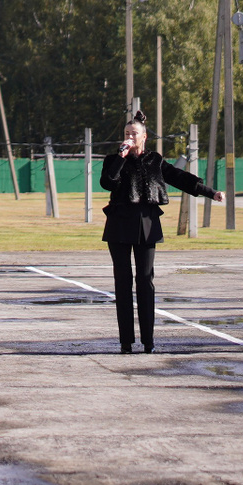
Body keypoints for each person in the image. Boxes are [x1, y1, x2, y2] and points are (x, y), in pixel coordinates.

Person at [98, 113, 221, 353]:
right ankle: (126, 342)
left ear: (144, 137)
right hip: (119, 226)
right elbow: (108, 182)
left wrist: (210, 192)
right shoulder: (113, 159)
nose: (130, 137)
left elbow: (180, 178)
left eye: (134, 134)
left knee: (145, 280)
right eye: (126, 134)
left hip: (147, 225)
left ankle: (148, 341)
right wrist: (121, 157)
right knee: (122, 282)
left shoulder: (155, 160)